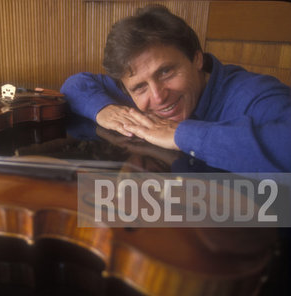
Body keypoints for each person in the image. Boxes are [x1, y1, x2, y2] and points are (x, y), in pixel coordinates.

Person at [60, 5, 291, 172]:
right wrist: (104, 109)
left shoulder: (252, 93)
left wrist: (181, 134)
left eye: (166, 72)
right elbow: (74, 85)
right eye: (139, 87)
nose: (158, 97)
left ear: (197, 59)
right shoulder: (135, 92)